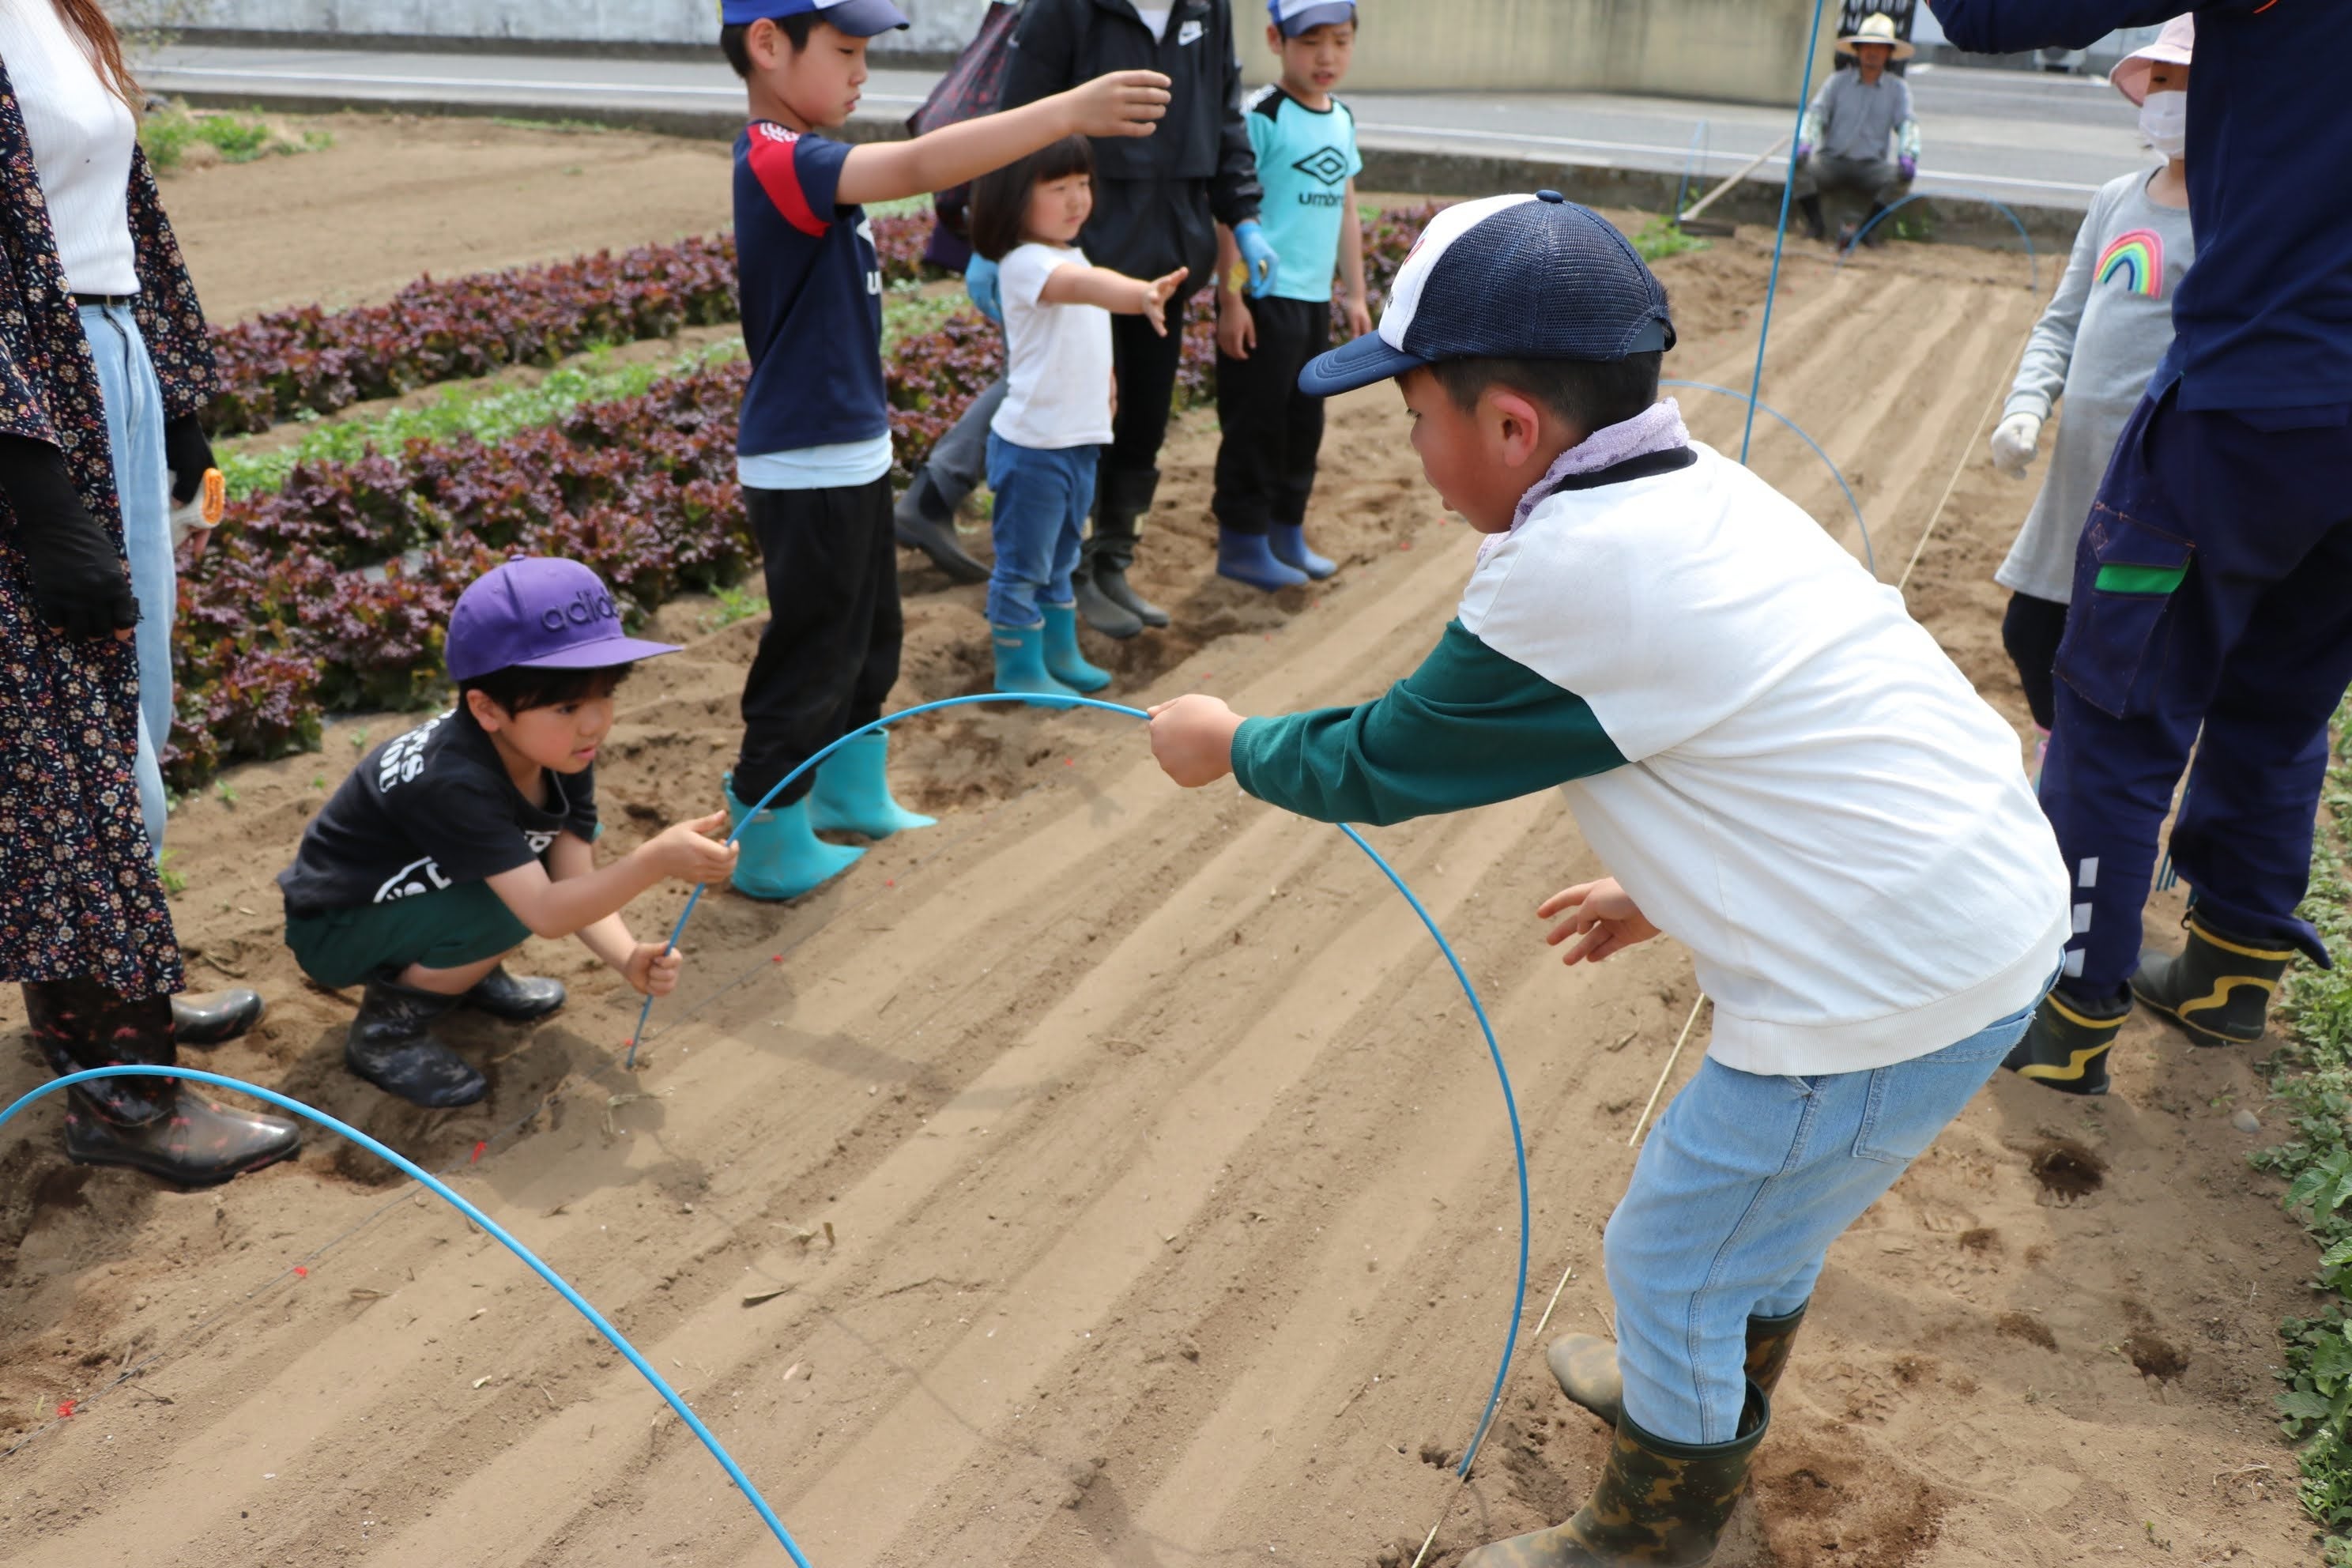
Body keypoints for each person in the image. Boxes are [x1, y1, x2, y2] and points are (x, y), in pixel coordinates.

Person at [1146, 192, 2068, 1565]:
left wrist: (1228, 744)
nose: (1412, 449)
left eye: (1417, 416)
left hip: (1886, 987)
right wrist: (1666, 890)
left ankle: (1653, 1527)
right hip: (1972, 913)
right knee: (1764, 1219)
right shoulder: (1699, 492)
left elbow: (1383, 760)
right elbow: (1766, 745)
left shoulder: (1572, 568)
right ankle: (1692, 1395)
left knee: (1670, 1251)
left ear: (1514, 428)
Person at [1931, 0, 2352, 1095]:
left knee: (2116, 713)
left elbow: (1985, 15)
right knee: (2280, 701)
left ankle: (2067, 1012)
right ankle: (2228, 973)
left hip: (2248, 408)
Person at [716, 0, 1170, 900]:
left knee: (870, 638)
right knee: (812, 650)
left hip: (848, 450)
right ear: (767, 44)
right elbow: (920, 164)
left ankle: (851, 790)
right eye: (845, 49)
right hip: (804, 460)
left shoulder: (807, 159)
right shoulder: (777, 157)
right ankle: (765, 829)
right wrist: (1066, 110)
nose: (861, 71)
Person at [0, 0, 293, 1185]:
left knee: (136, 722)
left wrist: (172, 400)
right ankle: (122, 1095)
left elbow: (120, 216)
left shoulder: (57, 12)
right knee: (86, 757)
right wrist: (37, 492)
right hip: (33, 405)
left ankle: (103, 1004)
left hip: (104, 360)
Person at [275, 560, 734, 1109]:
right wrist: (652, 861)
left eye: (605, 694)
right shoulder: (453, 782)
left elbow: (573, 876)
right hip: (337, 926)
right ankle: (386, 1031)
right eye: (567, 706)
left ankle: (465, 973)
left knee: (526, 875)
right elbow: (547, 912)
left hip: (415, 896)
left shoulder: (560, 750)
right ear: (487, 709)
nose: (594, 723)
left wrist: (628, 956)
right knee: (512, 904)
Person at [1001, 0, 1276, 639]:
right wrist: (999, 241)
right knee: (1082, 425)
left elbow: (1224, 118)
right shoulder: (1066, 10)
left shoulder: (1206, 8)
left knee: (1144, 421)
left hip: (1168, 261)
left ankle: (1111, 562)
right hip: (1083, 257)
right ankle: (1067, 575)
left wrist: (1245, 218)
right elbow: (1014, 124)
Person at [1990, 17, 2194, 783]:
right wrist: (2027, 403)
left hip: (2155, 478)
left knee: (2126, 642)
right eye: (2158, 80)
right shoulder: (2115, 200)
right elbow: (2063, 320)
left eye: (2183, 82)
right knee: (2032, 628)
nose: (2165, 97)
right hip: (2079, 470)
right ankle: (2062, 749)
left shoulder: (2230, 219)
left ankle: (2097, 777)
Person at [968, 136, 1187, 696]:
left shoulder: (1070, 252)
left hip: (1077, 442)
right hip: (1033, 448)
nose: (1077, 199)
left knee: (1064, 554)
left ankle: (1059, 652)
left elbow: (1081, 326)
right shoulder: (1025, 263)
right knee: (1023, 565)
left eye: (1083, 184)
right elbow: (1084, 290)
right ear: (1013, 198)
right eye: (1058, 187)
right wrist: (1141, 294)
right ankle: (1019, 669)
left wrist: (1105, 381)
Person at [1210, 0, 1367, 592]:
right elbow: (1229, 213)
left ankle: (1286, 531)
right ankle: (1242, 542)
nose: (1327, 56)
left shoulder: (1342, 118)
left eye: (1340, 41)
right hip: (1262, 296)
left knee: (1304, 420)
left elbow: (1346, 208)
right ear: (1277, 41)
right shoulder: (1262, 116)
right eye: (1311, 42)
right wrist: (1232, 301)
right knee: (1256, 422)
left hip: (1312, 301)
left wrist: (1354, 294)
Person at [1791, 12, 1920, 247]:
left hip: (1872, 166)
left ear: (1889, 53)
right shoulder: (1837, 82)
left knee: (1901, 179)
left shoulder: (1897, 89)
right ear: (1858, 50)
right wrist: (1805, 142)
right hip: (1832, 160)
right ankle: (1816, 224)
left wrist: (1908, 155)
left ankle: (1869, 229)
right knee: (1798, 167)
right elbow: (1815, 114)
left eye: (1879, 48)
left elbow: (1908, 124)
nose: (1872, 53)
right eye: (1867, 46)